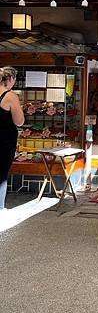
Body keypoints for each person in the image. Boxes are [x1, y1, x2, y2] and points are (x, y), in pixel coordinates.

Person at [0, 67, 25, 212]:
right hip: (4, 141)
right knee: (1, 174)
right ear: (10, 79)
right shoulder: (10, 96)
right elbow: (19, 121)